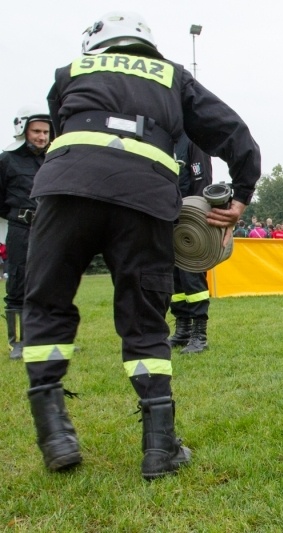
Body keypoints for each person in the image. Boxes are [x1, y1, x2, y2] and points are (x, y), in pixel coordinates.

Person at [22, 12, 261, 479]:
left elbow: (61, 126)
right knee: (145, 320)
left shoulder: (70, 71)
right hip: (144, 198)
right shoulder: (172, 75)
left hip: (67, 189)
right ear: (146, 44)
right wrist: (241, 193)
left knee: (47, 303)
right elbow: (233, 132)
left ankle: (54, 433)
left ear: (97, 43)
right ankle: (159, 449)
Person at [0, 107, 53, 360]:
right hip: (21, 229)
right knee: (18, 283)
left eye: (45, 132)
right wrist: (17, 215)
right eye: (36, 131)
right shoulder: (6, 160)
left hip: (50, 229)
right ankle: (19, 343)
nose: (42, 137)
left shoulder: (54, 158)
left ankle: (49, 339)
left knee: (51, 283)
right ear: (23, 131)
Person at [167, 135, 213, 354]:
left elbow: (202, 182)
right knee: (175, 279)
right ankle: (183, 329)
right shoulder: (165, 139)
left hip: (190, 220)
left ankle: (199, 334)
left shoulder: (193, 140)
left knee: (192, 277)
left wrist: (197, 217)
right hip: (167, 218)